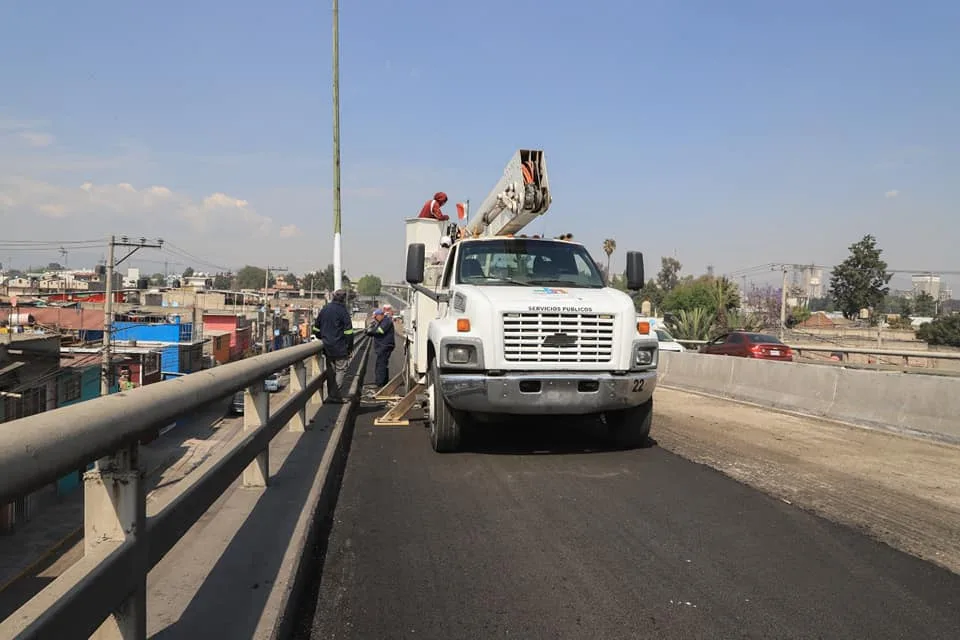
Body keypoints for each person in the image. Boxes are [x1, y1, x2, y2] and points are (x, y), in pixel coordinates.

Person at [313, 289, 355, 403]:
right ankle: (334, 395)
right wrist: (350, 347)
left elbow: (316, 328)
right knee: (341, 370)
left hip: (327, 346)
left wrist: (322, 337)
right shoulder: (343, 311)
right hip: (340, 347)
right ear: (343, 299)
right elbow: (348, 332)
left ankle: (333, 396)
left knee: (331, 371)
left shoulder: (325, 309)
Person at [366, 308, 395, 388]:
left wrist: (370, 332)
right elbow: (376, 330)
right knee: (382, 364)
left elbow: (380, 331)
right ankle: (383, 382)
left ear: (380, 315)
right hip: (382, 346)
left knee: (380, 365)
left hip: (385, 346)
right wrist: (370, 331)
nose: (375, 318)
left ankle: (380, 383)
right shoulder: (382, 321)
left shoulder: (386, 321)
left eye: (376, 317)